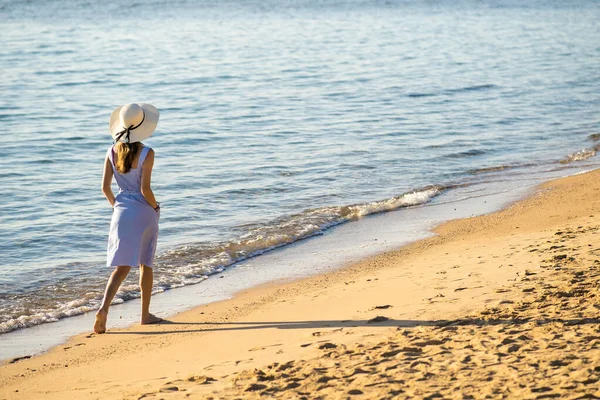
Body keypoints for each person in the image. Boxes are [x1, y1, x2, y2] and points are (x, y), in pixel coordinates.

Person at [94, 103, 162, 334]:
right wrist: (155, 207)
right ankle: (145, 315)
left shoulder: (110, 151)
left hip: (121, 212)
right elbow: (145, 190)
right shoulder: (147, 153)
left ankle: (103, 309)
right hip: (143, 212)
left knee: (121, 267)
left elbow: (105, 188)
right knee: (146, 263)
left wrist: (119, 207)